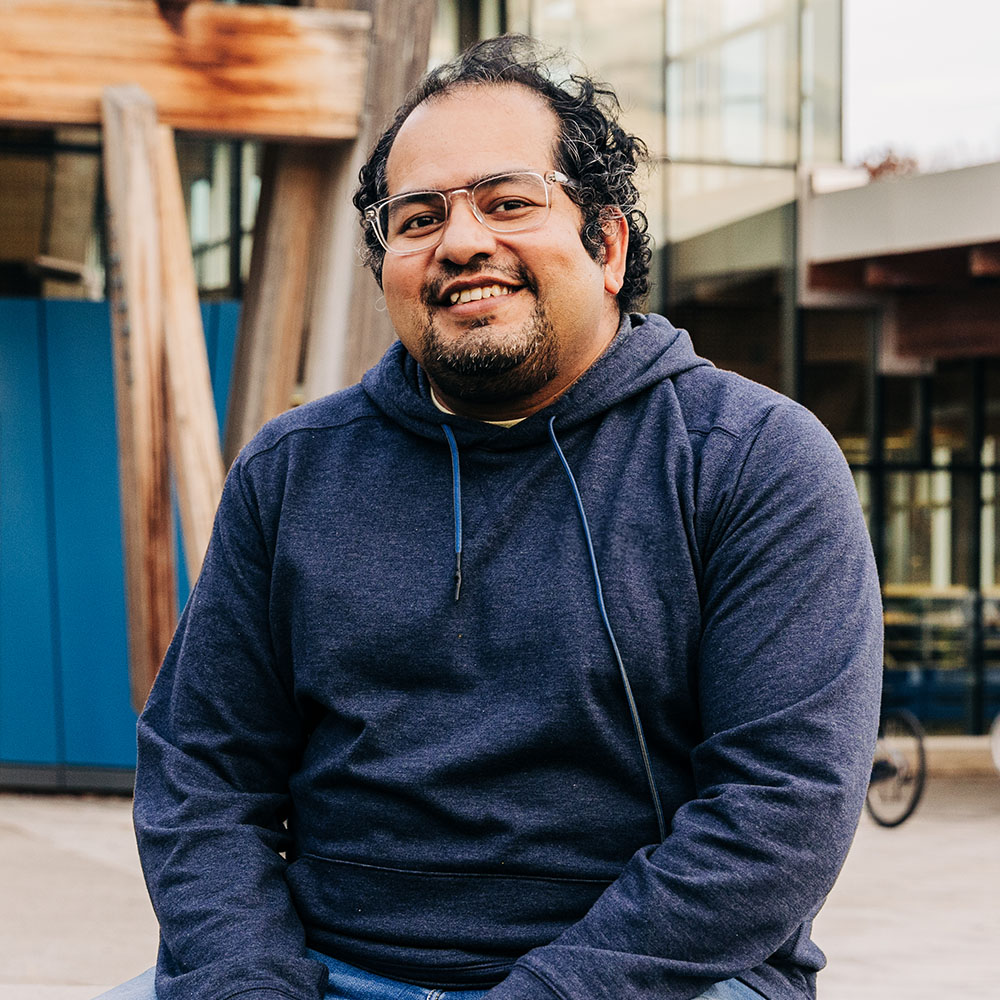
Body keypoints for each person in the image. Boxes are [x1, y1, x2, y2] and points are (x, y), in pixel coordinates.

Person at [101, 34, 882, 1000]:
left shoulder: (752, 461)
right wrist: (248, 983)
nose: (462, 242)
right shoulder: (292, 469)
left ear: (607, 244)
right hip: (325, 971)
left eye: (509, 202)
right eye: (417, 218)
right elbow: (201, 774)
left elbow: (781, 810)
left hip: (649, 982)